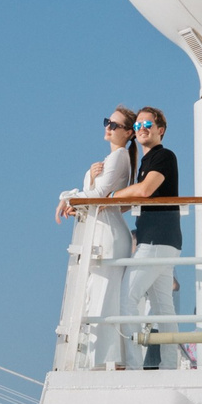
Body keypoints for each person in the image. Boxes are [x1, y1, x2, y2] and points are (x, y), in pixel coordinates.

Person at [54, 109, 139, 367]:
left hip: (108, 235)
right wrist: (86, 186)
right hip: (103, 232)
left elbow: (99, 195)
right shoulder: (114, 158)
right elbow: (97, 196)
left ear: (128, 132)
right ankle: (99, 360)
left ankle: (104, 362)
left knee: (103, 299)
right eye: (107, 122)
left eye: (115, 124)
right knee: (98, 297)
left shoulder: (119, 157)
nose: (109, 127)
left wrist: (69, 199)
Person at [117, 108, 190, 369]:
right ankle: (170, 367)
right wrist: (107, 206)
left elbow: (145, 190)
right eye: (137, 125)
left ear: (161, 129)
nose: (142, 128)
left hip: (156, 242)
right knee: (163, 309)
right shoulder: (148, 162)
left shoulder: (163, 156)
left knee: (126, 300)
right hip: (165, 241)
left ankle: (134, 368)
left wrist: (112, 198)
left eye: (148, 123)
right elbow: (139, 195)